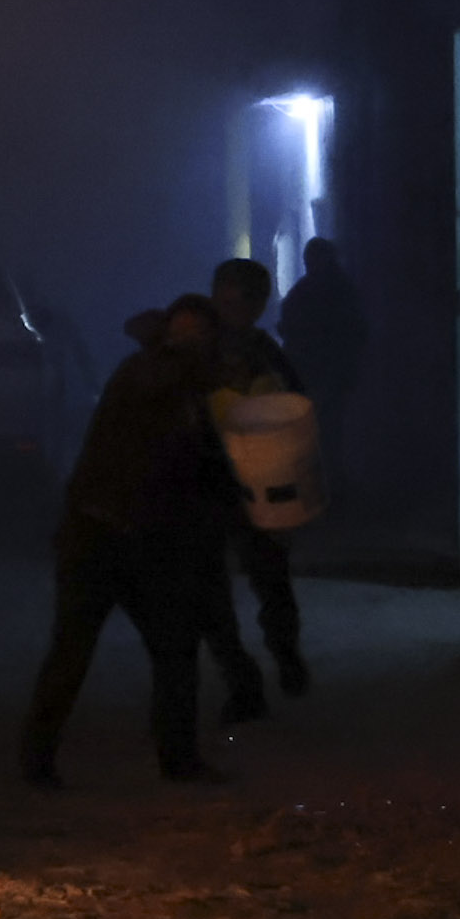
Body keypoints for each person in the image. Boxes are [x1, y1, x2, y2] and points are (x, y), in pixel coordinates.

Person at [19, 294, 236, 787]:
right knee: (87, 650)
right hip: (108, 535)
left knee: (157, 650)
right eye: (188, 336)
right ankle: (42, 758)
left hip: (119, 534)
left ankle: (172, 759)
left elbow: (204, 470)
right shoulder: (152, 375)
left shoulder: (172, 384)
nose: (194, 345)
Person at [202, 256, 309, 720]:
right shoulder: (197, 351)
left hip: (256, 485)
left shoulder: (264, 353)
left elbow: (297, 408)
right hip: (207, 484)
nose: (232, 311)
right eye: (225, 300)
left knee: (270, 580)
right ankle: (244, 682)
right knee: (210, 592)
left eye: (242, 302)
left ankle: (284, 656)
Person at [278, 236, 369, 494]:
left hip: (319, 373)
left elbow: (290, 326)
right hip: (322, 374)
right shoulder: (338, 290)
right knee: (328, 432)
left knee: (323, 433)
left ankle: (323, 486)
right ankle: (328, 485)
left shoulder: (312, 291)